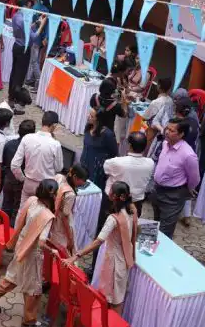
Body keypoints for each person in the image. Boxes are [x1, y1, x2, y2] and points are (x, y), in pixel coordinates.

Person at [0, 179, 57, 327]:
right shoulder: (47, 215)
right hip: (32, 253)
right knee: (33, 287)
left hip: (20, 244)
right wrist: (52, 250)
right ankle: (30, 320)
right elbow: (41, 242)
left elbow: (21, 221)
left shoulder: (32, 201)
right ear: (53, 195)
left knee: (13, 276)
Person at [76, 181, 137, 313]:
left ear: (113, 196)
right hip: (124, 261)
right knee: (117, 298)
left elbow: (98, 241)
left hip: (113, 263)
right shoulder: (131, 211)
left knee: (112, 300)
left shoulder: (113, 219)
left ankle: (109, 324)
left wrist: (78, 254)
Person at [150, 117, 200, 238]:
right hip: (157, 190)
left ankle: (163, 248)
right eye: (167, 128)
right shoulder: (165, 144)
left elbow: (194, 178)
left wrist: (188, 189)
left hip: (172, 196)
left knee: (164, 232)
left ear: (181, 134)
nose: (167, 132)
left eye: (172, 130)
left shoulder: (188, 154)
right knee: (156, 225)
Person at [12, 111, 63, 207]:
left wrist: (23, 179)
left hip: (29, 182)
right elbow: (58, 168)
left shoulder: (27, 138)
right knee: (40, 213)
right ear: (54, 125)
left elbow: (14, 165)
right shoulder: (55, 144)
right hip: (45, 186)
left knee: (23, 210)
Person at [104, 131, 154, 214]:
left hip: (115, 201)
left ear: (130, 145)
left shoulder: (116, 162)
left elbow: (106, 170)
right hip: (136, 202)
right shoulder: (150, 163)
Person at [1, 119, 35, 221]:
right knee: (17, 208)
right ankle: (12, 228)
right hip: (21, 181)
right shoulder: (31, 149)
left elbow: (3, 162)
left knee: (6, 204)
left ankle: (1, 225)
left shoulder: (9, 144)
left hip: (8, 178)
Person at [51, 165, 89, 254]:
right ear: (75, 177)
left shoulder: (59, 177)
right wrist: (70, 238)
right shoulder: (70, 194)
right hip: (61, 225)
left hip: (53, 215)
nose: (84, 183)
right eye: (83, 180)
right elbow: (65, 217)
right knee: (62, 251)